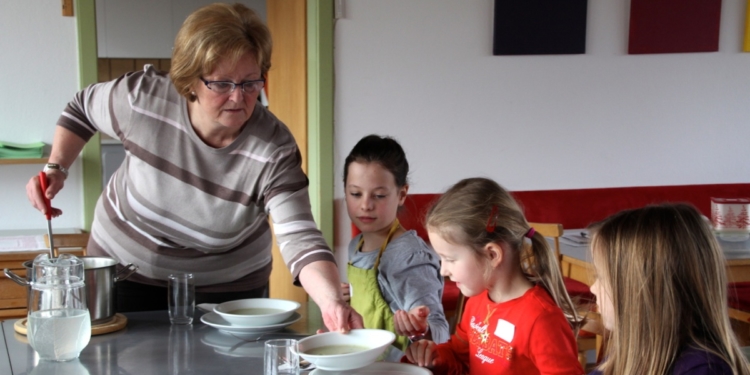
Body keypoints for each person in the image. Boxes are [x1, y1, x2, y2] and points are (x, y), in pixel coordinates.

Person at [25, 3, 362, 333]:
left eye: (250, 83)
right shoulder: (142, 101)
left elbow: (300, 237)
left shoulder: (273, 147)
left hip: (228, 286)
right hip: (126, 271)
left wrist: (332, 302)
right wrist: (57, 166)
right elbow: (81, 108)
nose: (238, 98)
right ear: (190, 80)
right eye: (222, 83)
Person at [404, 177, 584, 374]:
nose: (443, 270)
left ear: (492, 255)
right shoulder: (477, 300)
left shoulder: (541, 319)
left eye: (450, 259)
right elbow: (461, 357)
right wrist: (437, 358)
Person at [588, 204, 750, 375]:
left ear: (644, 290)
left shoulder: (703, 368)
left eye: (601, 276)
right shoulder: (631, 353)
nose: (592, 288)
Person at [341, 135, 449, 353]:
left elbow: (440, 332)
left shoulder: (409, 256)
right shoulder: (356, 246)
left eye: (379, 195)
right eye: (355, 193)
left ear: (401, 194)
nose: (365, 205)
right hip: (366, 361)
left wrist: (420, 328)